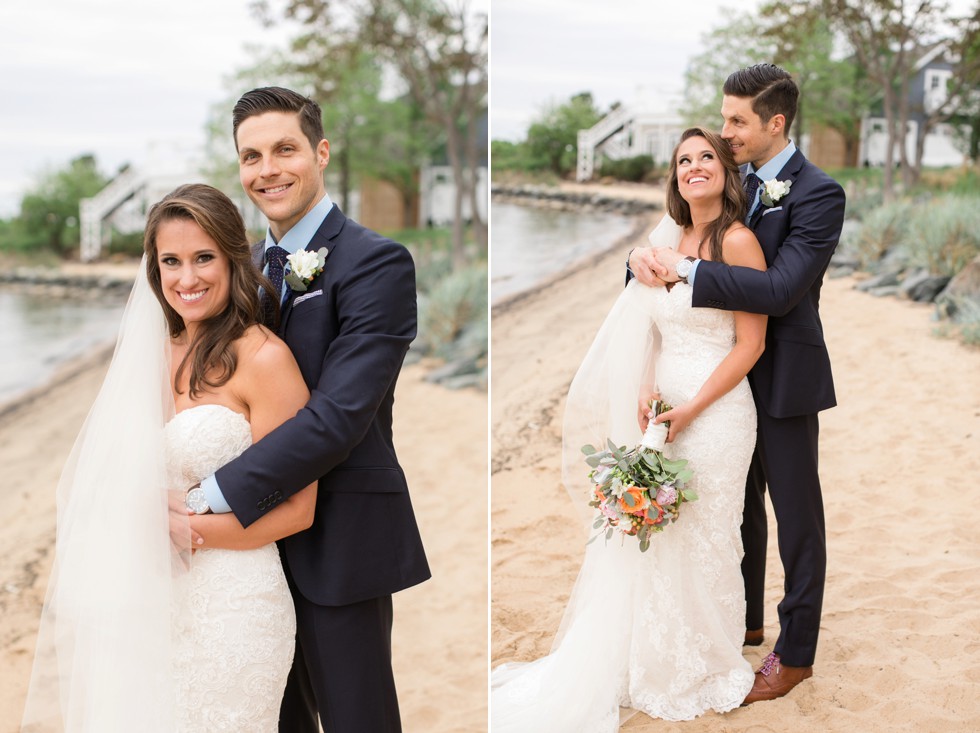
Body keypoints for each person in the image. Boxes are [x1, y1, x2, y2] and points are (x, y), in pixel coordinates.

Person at [491, 127, 767, 730]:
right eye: (683, 160)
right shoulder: (666, 238)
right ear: (674, 176)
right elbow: (651, 326)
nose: (694, 167)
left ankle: (708, 656)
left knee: (711, 532)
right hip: (662, 406)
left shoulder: (740, 241)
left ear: (725, 170)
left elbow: (750, 344)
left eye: (706, 158)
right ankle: (656, 652)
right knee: (662, 532)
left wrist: (693, 408)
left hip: (718, 411)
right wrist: (646, 388)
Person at [21, 183, 316, 731]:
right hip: (152, 600)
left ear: (232, 258)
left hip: (237, 606)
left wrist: (185, 530)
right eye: (171, 262)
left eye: (204, 257)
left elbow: (299, 509)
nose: (188, 278)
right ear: (154, 272)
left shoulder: (266, 360)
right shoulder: (151, 355)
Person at [189, 86, 430, 733]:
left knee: (358, 719)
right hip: (249, 555)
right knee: (276, 717)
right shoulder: (240, 269)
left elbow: (338, 417)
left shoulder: (376, 262)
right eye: (251, 156)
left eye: (284, 149)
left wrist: (212, 491)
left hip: (340, 538)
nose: (267, 169)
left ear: (320, 152)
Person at [630, 64, 846, 703]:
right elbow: (681, 238)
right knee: (736, 506)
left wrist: (684, 273)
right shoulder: (733, 179)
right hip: (717, 373)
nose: (724, 133)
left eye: (736, 121)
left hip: (781, 376)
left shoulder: (818, 193)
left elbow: (780, 291)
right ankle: (745, 619)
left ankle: (796, 652)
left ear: (775, 123)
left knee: (795, 513)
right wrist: (640, 261)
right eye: (722, 119)